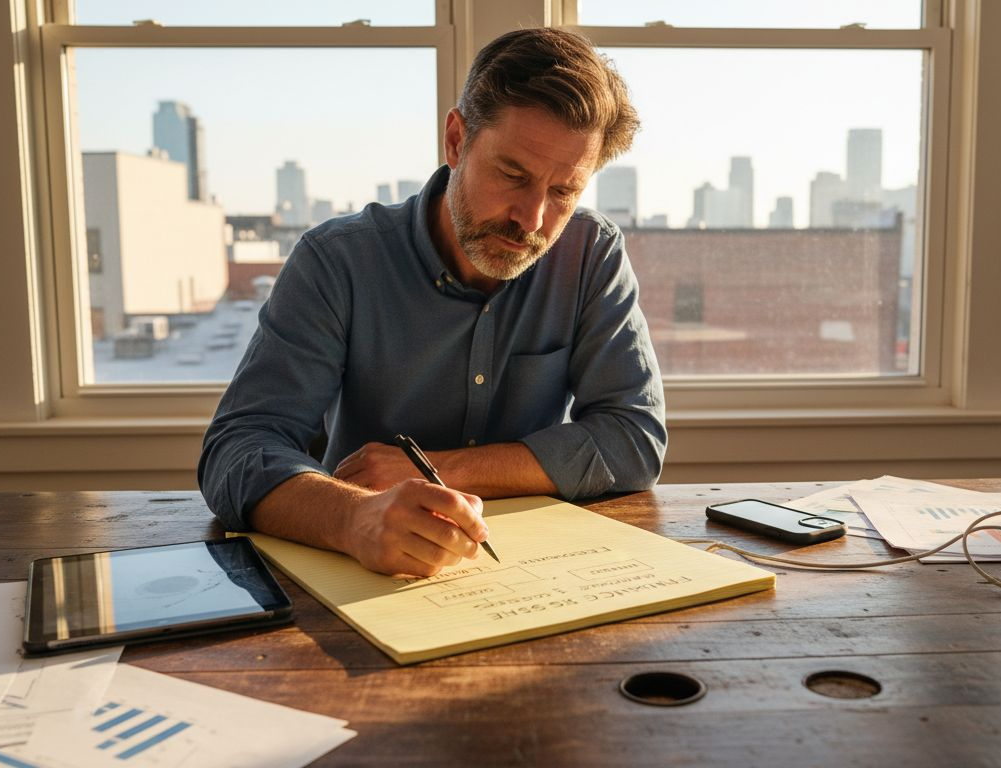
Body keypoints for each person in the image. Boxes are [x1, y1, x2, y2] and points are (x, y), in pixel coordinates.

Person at [199, 28, 666, 578]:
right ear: (455, 140)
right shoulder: (337, 260)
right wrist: (356, 519)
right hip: (362, 570)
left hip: (537, 573)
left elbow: (633, 439)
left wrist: (441, 472)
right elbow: (238, 449)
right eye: (512, 175)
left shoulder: (591, 253)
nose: (532, 220)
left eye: (564, 192)